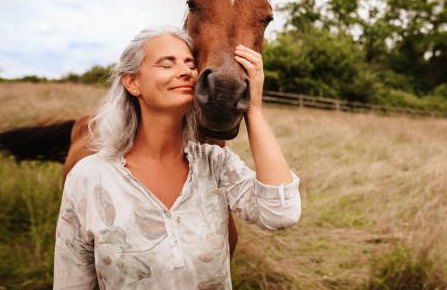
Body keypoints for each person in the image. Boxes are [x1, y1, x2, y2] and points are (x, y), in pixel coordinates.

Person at [53, 26, 301, 289]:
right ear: (132, 82)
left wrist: (253, 109)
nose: (185, 71)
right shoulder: (89, 177)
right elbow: (71, 282)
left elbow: (280, 214)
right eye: (166, 63)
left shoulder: (215, 164)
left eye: (190, 64)